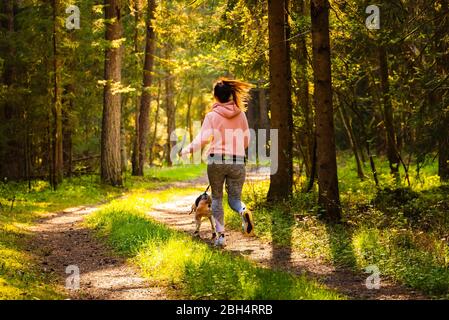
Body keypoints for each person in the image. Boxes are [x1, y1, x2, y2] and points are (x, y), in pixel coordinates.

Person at [180, 78, 255, 247]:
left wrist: (187, 150)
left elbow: (203, 139)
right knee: (235, 200)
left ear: (215, 96)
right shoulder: (241, 114)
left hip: (217, 161)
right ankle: (243, 211)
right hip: (237, 161)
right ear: (231, 95)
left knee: (217, 199)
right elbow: (246, 139)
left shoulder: (212, 116)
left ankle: (221, 237)